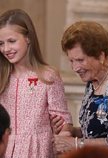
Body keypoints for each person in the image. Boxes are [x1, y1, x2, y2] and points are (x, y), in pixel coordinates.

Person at [53, 21, 108, 157]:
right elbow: (96, 131)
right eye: (71, 61)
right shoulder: (93, 80)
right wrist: (72, 131)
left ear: (101, 56)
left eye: (80, 60)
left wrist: (74, 143)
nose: (75, 68)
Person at [0, 9, 72, 158]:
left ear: (28, 38)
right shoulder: (2, 78)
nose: (6, 49)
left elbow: (63, 121)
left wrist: (63, 132)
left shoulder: (48, 76)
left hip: (38, 151)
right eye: (1, 43)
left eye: (12, 41)